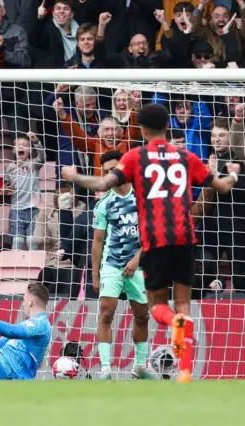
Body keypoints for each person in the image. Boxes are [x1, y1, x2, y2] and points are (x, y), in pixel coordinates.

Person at [61, 103, 241, 383]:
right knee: (183, 303)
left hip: (155, 240)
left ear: (142, 130)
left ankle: (174, 323)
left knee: (158, 306)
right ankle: (184, 371)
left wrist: (73, 176)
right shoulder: (185, 156)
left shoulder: (135, 157)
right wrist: (232, 172)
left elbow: (101, 185)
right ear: (168, 127)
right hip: (185, 238)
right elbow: (222, 186)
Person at [92, 151, 156, 380]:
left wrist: (137, 259)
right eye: (106, 171)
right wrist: (95, 275)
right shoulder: (104, 204)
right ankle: (106, 369)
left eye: (114, 169)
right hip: (111, 266)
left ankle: (139, 367)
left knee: (142, 316)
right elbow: (98, 240)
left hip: (138, 267)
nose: (111, 174)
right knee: (106, 313)